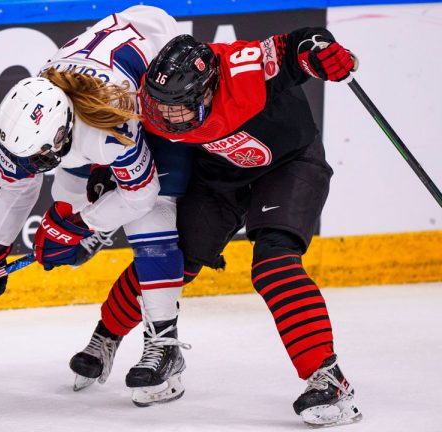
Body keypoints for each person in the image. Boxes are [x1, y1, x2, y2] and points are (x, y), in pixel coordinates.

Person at [81, 27, 361, 425]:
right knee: (173, 261)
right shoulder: (153, 98)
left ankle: (328, 380)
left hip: (288, 165)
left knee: (274, 265)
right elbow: (126, 134)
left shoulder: (240, 71)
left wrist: (322, 52)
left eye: (178, 108)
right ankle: (105, 339)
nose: (167, 116)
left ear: (208, 90)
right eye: (160, 106)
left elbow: (295, 45)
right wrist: (103, 173)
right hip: (219, 177)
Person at [0, 5, 192, 407]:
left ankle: (165, 347)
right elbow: (18, 188)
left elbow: (142, 194)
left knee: (150, 222)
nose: (31, 164)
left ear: (65, 131)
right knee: (65, 198)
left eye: (41, 156)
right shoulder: (25, 125)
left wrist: (83, 225)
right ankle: (94, 232)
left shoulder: (109, 126)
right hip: (98, 83)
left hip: (151, 84)